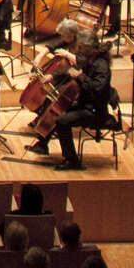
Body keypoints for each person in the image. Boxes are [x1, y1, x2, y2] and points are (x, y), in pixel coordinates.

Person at [26, 27, 113, 170]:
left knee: (62, 121)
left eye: (81, 46)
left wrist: (80, 77)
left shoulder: (101, 65)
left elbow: (97, 88)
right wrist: (53, 76)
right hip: (85, 104)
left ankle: (72, 160)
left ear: (88, 46)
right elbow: (70, 70)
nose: (78, 49)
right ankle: (42, 144)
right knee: (56, 107)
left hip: (95, 110)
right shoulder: (89, 58)